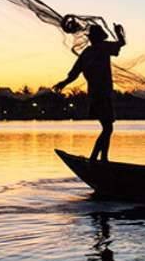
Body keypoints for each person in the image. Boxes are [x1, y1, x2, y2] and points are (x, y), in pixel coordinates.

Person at [54, 23, 126, 162]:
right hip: (103, 94)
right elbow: (121, 43)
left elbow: (74, 74)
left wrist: (63, 83)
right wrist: (119, 33)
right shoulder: (102, 48)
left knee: (107, 127)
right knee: (108, 128)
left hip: (96, 94)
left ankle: (102, 159)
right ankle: (97, 159)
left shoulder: (88, 53)